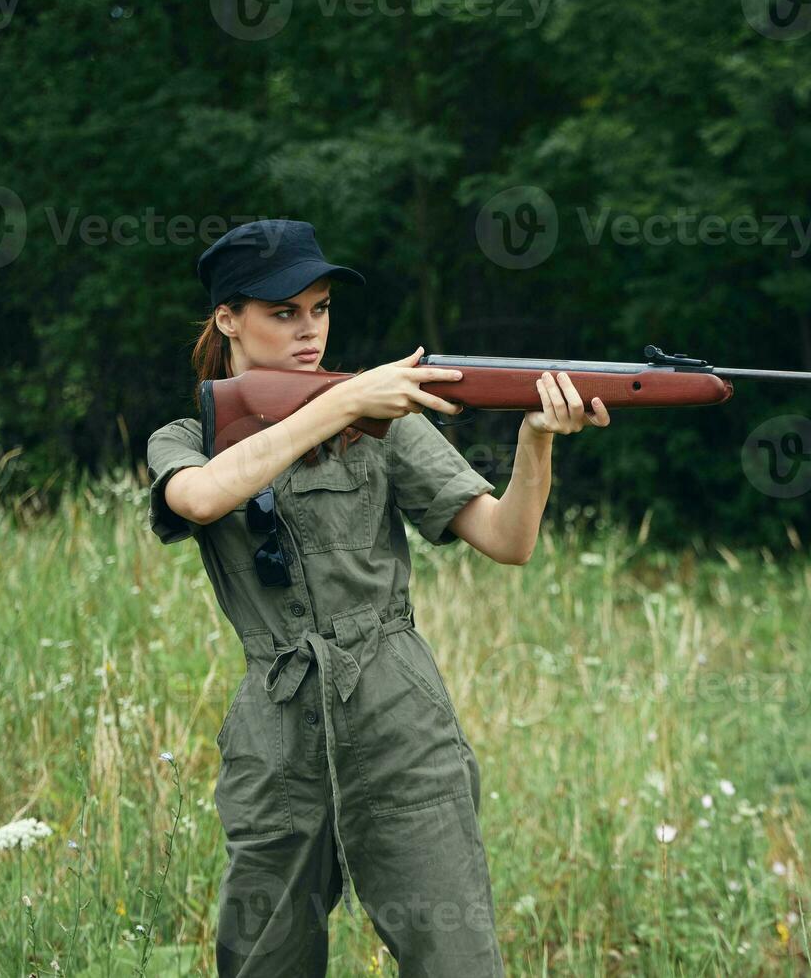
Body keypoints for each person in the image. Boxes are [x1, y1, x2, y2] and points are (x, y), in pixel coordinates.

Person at [144, 219, 609, 977]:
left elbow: (508, 539)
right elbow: (200, 498)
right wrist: (340, 403)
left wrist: (537, 441)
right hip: (277, 730)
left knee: (456, 958)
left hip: (398, 715)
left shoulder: (382, 417)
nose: (309, 331)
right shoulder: (191, 432)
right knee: (265, 960)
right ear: (227, 317)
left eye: (321, 309)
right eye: (283, 312)